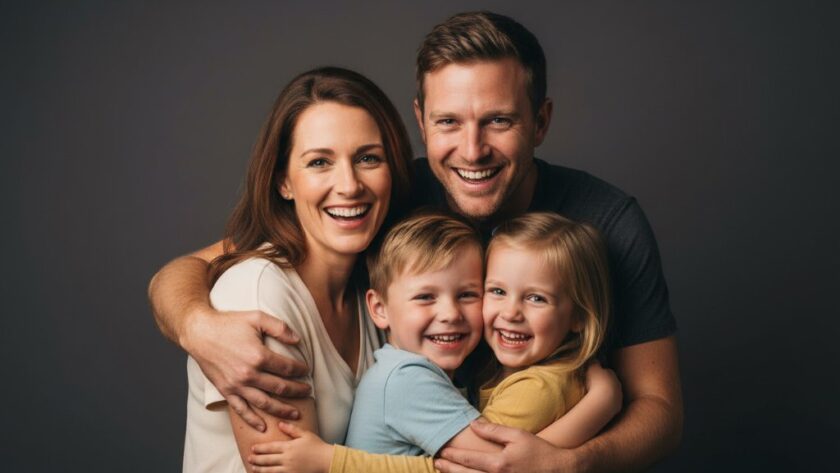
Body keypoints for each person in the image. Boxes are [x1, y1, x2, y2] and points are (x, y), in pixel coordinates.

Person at [150, 11, 682, 472]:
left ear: (540, 121)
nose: (472, 151)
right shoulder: (385, 199)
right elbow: (201, 267)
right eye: (448, 122)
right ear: (422, 122)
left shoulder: (606, 220)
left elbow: (660, 409)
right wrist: (199, 326)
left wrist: (571, 464)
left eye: (499, 120)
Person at [244, 212, 622, 473]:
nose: (451, 314)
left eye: (469, 294)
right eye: (426, 297)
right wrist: (603, 401)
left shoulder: (416, 372)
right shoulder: (409, 380)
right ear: (379, 308)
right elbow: (500, 465)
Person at [182, 66, 414, 472]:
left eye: (368, 158)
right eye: (320, 162)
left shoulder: (375, 293)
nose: (349, 185)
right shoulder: (257, 294)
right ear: (283, 182)